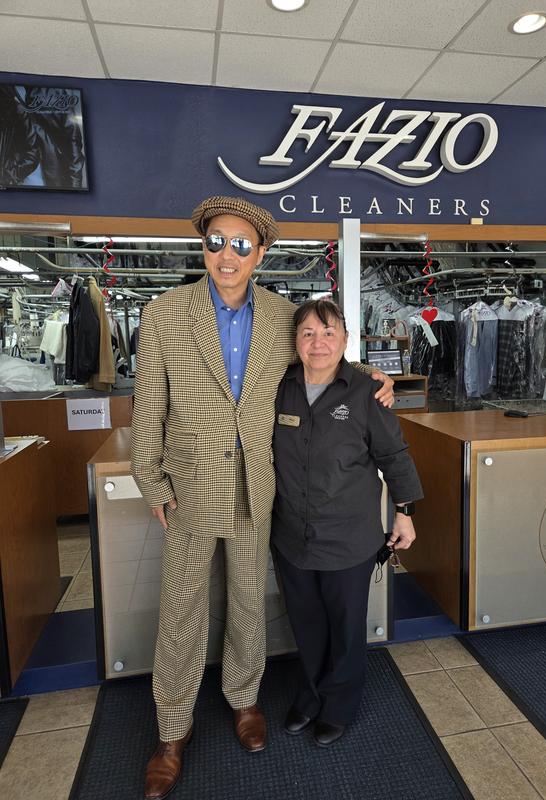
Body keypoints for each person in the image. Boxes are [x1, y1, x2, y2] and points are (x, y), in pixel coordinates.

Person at [130, 195, 395, 800]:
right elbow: (148, 404)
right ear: (204, 247)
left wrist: (372, 375)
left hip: (258, 486)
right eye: (216, 242)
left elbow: (322, 355)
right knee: (181, 609)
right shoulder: (164, 313)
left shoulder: (282, 315)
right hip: (190, 487)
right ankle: (172, 730)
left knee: (249, 602)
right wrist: (151, 480)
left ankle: (244, 700)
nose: (228, 254)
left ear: (261, 253)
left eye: (242, 245)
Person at [271, 298, 423, 746]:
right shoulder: (278, 387)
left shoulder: (365, 392)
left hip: (348, 537)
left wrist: (405, 513)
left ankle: (339, 703)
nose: (318, 343)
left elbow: (394, 455)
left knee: (345, 625)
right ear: (295, 341)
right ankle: (311, 694)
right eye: (308, 333)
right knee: (306, 622)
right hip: (291, 535)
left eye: (328, 333)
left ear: (345, 340)